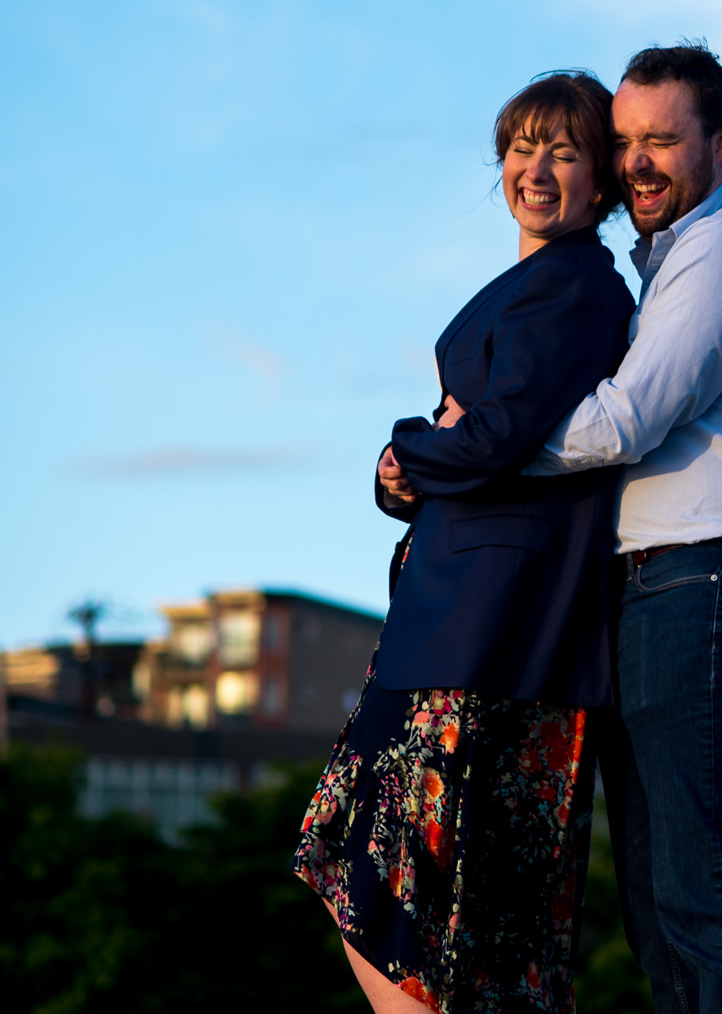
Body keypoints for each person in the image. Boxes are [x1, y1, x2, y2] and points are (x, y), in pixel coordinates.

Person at [385, 42, 722, 1014]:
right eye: (626, 142)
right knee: (664, 912)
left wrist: (474, 447)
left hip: (713, 583)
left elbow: (625, 420)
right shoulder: (663, 261)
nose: (639, 163)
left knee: (707, 900)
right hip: (662, 593)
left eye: (664, 139)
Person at [294, 70, 637, 1014]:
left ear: (600, 182)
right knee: (445, 915)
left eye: (564, 151)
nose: (536, 168)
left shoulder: (572, 289)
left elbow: (499, 436)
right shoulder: (541, 283)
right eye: (522, 147)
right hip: (469, 618)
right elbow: (480, 446)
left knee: (387, 886)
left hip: (487, 637)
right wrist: (404, 466)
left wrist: (419, 442)